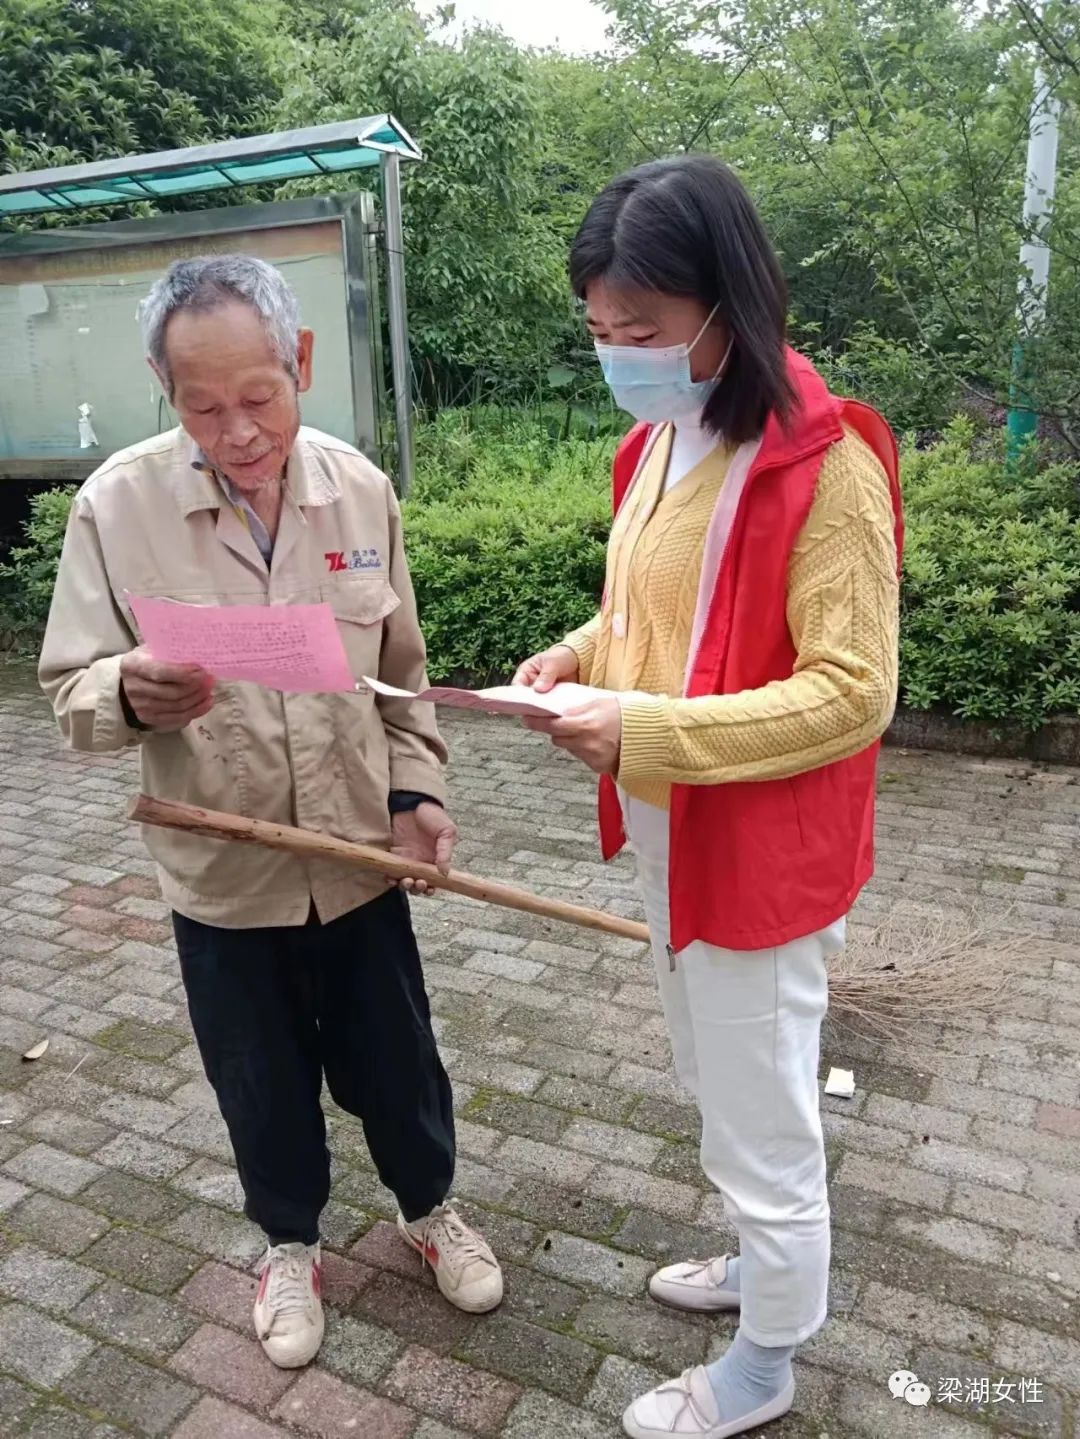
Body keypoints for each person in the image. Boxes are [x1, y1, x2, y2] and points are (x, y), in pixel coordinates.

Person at [39, 254, 502, 1371]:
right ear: (165, 386)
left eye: (259, 396)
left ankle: (428, 1208)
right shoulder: (118, 507)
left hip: (356, 856)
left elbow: (403, 678)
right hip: (222, 873)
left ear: (298, 363)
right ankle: (288, 1241)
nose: (237, 429)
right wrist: (127, 692)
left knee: (398, 1059)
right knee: (259, 1077)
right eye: (203, 405)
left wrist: (419, 798)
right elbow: (69, 693)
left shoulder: (359, 491)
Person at [514, 155, 902, 1439]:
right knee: (711, 1073)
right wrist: (577, 655)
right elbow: (649, 606)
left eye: (643, 331)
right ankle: (754, 1262)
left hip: (756, 840)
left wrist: (646, 724)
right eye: (600, 332)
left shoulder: (823, 460)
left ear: (727, 309)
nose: (618, 355)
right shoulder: (661, 440)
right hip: (672, 822)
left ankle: (768, 1358)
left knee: (762, 1109)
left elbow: (855, 691)